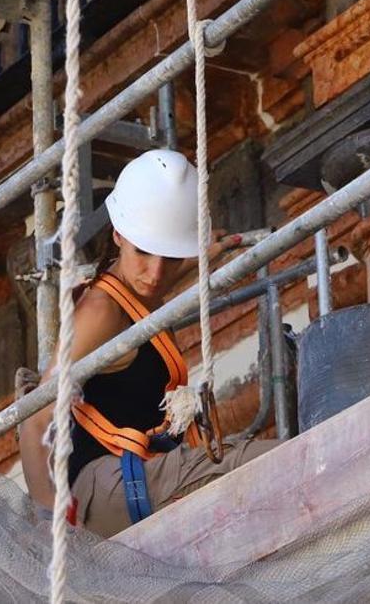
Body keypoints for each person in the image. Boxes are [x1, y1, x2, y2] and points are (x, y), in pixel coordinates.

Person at [18, 149, 277, 538]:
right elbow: (36, 415)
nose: (156, 273)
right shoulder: (101, 310)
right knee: (275, 463)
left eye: (171, 257)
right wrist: (53, 527)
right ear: (118, 234)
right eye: (144, 252)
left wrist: (202, 256)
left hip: (136, 475)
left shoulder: (135, 289)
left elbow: (153, 286)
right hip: (105, 487)